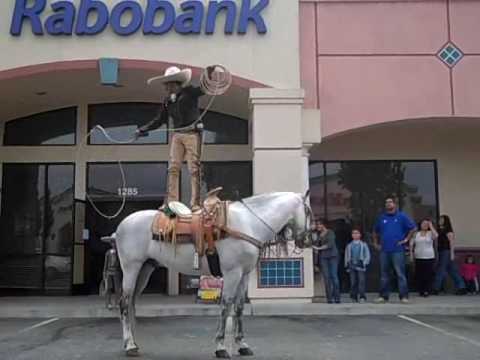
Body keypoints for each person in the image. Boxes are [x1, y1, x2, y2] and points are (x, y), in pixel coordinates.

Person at [136, 66, 217, 212]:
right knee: (173, 168)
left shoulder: (190, 92)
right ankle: (171, 202)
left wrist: (209, 75)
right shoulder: (168, 101)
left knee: (194, 168)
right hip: (178, 135)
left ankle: (195, 204)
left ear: (174, 83)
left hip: (192, 134)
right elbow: (160, 119)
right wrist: (144, 129)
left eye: (167, 85)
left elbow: (204, 89)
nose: (166, 88)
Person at [373, 197, 416, 303]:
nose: (388, 204)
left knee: (400, 274)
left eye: (390, 202)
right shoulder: (381, 217)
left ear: (395, 204)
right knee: (384, 274)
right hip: (384, 250)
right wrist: (375, 243)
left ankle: (403, 296)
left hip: (397, 250)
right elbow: (375, 231)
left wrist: (406, 239)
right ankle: (383, 296)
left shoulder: (402, 216)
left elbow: (413, 228)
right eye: (386, 202)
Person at [432, 215, 467, 295]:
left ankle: (436, 288)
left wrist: (452, 254)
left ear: (445, 221)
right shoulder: (440, 230)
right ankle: (462, 287)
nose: (440, 220)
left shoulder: (448, 230)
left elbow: (451, 242)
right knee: (453, 270)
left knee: (440, 269)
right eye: (440, 219)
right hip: (441, 251)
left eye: (442, 219)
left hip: (446, 251)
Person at [313, 219, 340, 304]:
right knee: (326, 278)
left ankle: (337, 298)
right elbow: (314, 243)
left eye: (319, 224)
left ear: (324, 225)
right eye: (317, 225)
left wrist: (318, 248)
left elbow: (330, 244)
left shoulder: (330, 232)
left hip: (333, 256)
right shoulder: (317, 235)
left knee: (334, 277)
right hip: (323, 258)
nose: (318, 226)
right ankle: (329, 299)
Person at [410, 219, 438, 297]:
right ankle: (420, 290)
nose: (425, 225)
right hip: (418, 256)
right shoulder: (416, 234)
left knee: (428, 274)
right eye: (423, 224)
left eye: (426, 224)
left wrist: (431, 226)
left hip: (429, 256)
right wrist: (411, 255)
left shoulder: (430, 233)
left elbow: (436, 236)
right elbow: (411, 244)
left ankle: (427, 290)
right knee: (419, 274)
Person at [344, 228, 371, 303]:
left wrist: (365, 262)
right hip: (352, 265)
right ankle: (353, 296)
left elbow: (367, 255)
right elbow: (347, 256)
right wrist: (347, 264)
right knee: (353, 282)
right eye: (353, 233)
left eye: (357, 233)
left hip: (360, 265)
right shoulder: (349, 245)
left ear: (360, 235)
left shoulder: (363, 245)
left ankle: (362, 296)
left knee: (361, 281)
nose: (355, 235)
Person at [103, 240, 121, 310]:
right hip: (109, 272)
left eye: (115, 242)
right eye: (112, 243)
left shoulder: (119, 252)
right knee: (108, 288)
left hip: (116, 272)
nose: (114, 244)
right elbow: (106, 263)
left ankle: (117, 303)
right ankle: (108, 303)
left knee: (117, 289)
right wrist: (104, 272)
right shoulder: (108, 253)